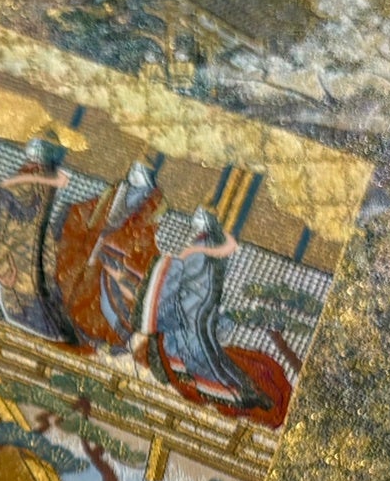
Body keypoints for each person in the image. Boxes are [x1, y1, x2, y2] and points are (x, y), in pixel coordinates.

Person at [134, 206, 271, 414]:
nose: (196, 221)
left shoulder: (206, 245)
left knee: (202, 347)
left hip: (198, 305)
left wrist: (189, 256)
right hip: (195, 305)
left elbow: (206, 269)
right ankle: (240, 391)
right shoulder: (202, 245)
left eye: (201, 218)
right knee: (202, 348)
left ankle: (236, 392)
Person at [0, 132, 78, 341]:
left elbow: (42, 239)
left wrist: (52, 260)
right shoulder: (6, 196)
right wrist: (3, 271)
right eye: (40, 172)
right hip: (12, 274)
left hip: (34, 273)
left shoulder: (39, 203)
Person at [55, 159, 165, 351]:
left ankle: (96, 335)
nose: (133, 173)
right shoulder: (117, 191)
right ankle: (71, 326)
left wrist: (114, 247)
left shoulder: (153, 204)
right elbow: (96, 209)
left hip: (119, 257)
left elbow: (144, 236)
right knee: (75, 279)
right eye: (134, 169)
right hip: (97, 246)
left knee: (102, 292)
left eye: (140, 171)